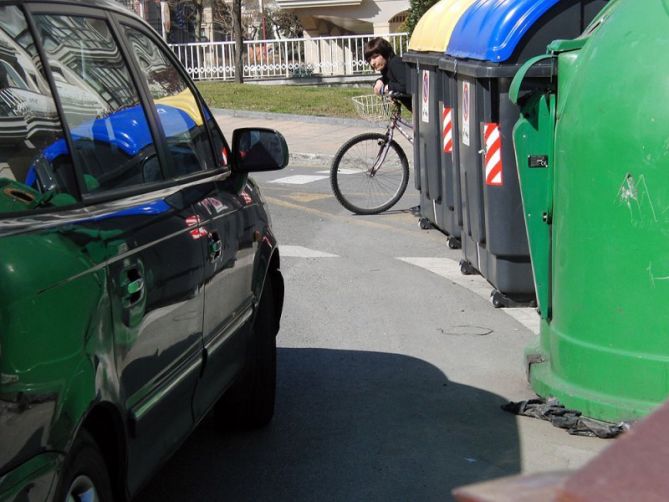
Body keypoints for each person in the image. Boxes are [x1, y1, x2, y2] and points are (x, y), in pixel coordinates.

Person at [364, 37, 412, 112]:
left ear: (385, 53)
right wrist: (380, 81)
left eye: (375, 57)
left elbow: (407, 86)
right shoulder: (386, 68)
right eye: (369, 60)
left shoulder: (395, 63)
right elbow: (389, 78)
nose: (372, 63)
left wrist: (388, 87)